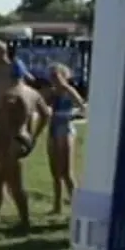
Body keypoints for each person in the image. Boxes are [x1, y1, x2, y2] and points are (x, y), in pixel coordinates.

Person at [0, 63, 52, 229]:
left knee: (15, 184)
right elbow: (45, 114)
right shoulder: (33, 93)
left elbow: (3, 125)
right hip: (23, 139)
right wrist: (34, 135)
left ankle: (25, 220)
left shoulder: (10, 95)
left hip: (11, 141)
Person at [45, 63, 87, 214]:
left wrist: (66, 89)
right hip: (53, 128)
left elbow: (82, 106)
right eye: (51, 76)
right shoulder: (52, 92)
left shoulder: (69, 91)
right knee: (55, 171)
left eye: (56, 76)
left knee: (67, 171)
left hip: (65, 129)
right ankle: (57, 206)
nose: (53, 79)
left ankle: (77, 206)